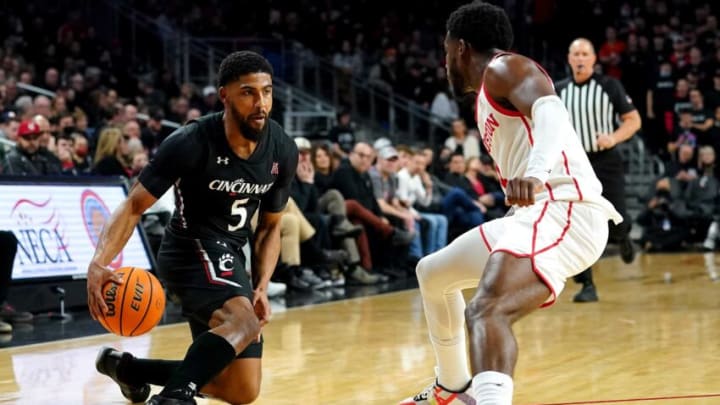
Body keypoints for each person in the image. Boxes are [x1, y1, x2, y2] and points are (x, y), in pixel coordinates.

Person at [401, 3, 622, 404]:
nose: (445, 61)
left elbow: (552, 113)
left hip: (566, 209)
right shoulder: (486, 93)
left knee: (486, 309)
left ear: (461, 47)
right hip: (533, 214)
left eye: (446, 51)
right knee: (432, 273)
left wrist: (536, 173)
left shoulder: (504, 68)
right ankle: (451, 387)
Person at [89, 51, 298, 405]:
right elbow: (134, 205)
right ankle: (174, 397)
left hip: (229, 256)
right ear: (224, 96)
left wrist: (261, 286)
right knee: (244, 324)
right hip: (189, 249)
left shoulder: (282, 149)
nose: (260, 102)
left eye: (267, 91)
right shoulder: (191, 141)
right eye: (248, 92)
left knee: (241, 389)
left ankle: (131, 370)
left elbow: (269, 228)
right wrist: (98, 263)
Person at [556, 38, 642, 302]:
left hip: (605, 159)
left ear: (594, 59)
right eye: (576, 54)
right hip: (574, 164)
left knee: (616, 217)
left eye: (585, 54)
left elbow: (633, 120)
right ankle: (587, 285)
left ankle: (623, 236)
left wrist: (613, 138)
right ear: (569, 59)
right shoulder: (557, 91)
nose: (580, 59)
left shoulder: (609, 86)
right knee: (576, 225)